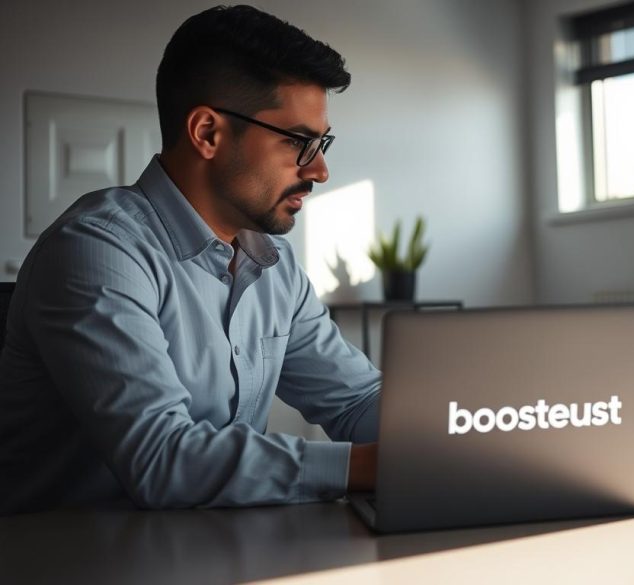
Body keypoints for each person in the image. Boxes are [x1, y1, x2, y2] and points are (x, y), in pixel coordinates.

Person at [0, 5, 380, 515]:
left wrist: (454, 436)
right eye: (298, 142)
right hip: (79, 560)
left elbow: (355, 400)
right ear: (206, 132)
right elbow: (162, 456)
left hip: (219, 548)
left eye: (321, 142)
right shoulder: (95, 251)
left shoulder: (275, 267)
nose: (321, 170)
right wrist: (368, 466)